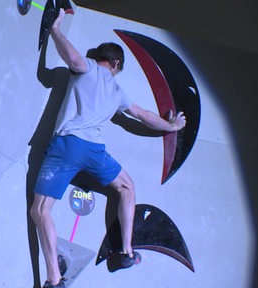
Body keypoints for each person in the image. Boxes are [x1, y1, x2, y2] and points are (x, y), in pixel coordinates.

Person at [29, 9, 187, 288]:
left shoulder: (88, 68)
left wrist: (55, 31)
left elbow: (71, 60)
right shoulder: (116, 90)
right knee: (127, 187)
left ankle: (54, 280)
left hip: (67, 146)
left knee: (40, 211)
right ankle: (125, 251)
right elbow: (141, 115)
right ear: (115, 63)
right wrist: (171, 126)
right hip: (94, 151)